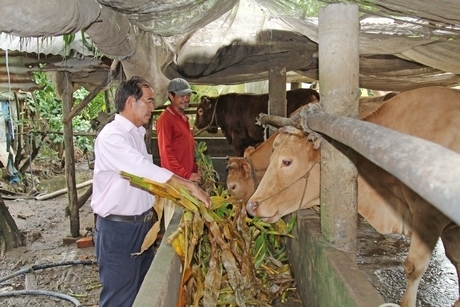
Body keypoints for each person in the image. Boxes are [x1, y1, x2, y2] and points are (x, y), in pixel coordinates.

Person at [91, 76, 210, 307]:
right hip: (119, 229)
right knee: (119, 297)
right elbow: (142, 169)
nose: (152, 107)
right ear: (130, 102)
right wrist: (187, 185)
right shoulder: (112, 136)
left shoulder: (136, 133)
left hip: (142, 226)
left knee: (141, 292)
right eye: (148, 101)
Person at [155, 78, 201, 229]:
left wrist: (195, 169)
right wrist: (186, 176)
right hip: (175, 182)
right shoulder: (165, 120)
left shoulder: (184, 119)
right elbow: (166, 154)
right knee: (175, 226)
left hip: (187, 182)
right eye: (181, 96)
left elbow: (186, 150)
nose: (186, 99)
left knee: (187, 225)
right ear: (170, 96)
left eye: (188, 95)